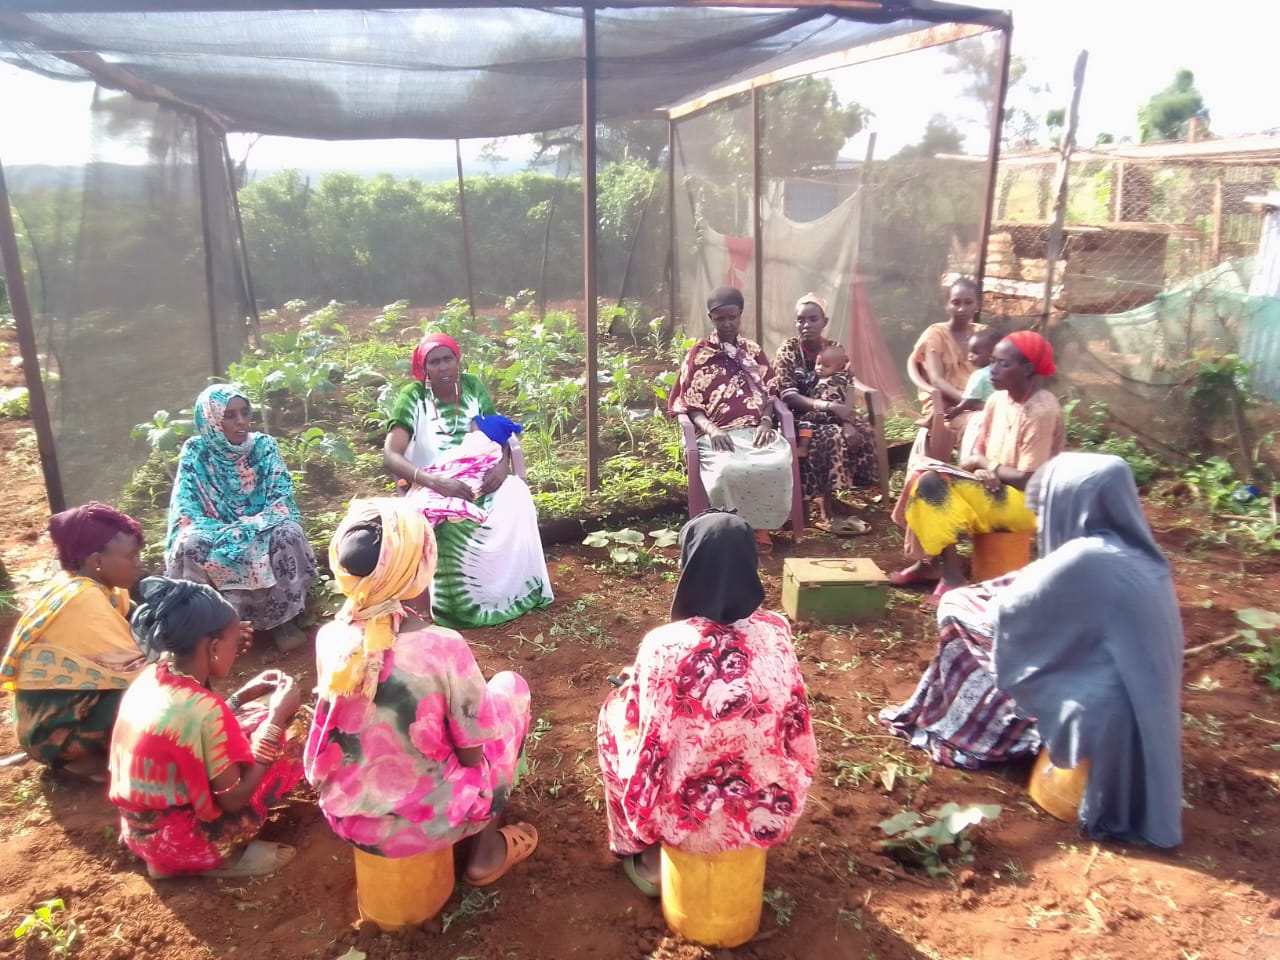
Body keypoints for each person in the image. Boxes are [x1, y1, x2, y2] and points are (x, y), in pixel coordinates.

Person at [880, 453, 1183, 848]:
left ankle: (981, 731)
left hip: (1105, 716)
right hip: (1146, 712)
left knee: (961, 616)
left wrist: (965, 599)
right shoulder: (1137, 553)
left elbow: (1011, 612)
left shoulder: (1087, 557)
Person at [305, 499, 538, 883]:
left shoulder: (330, 638)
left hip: (350, 820)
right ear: (418, 567)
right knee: (510, 691)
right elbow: (470, 753)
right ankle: (485, 852)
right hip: (431, 823)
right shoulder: (443, 646)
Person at [596, 510, 817, 896]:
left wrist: (637, 688)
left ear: (688, 565)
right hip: (767, 811)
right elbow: (797, 725)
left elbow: (651, 746)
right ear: (751, 566)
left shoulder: (664, 645)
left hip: (688, 821)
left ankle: (645, 855)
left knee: (615, 715)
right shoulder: (776, 631)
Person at [109, 576, 306, 878]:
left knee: (252, 715)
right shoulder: (204, 710)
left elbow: (190, 732)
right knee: (296, 730)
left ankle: (168, 857)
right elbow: (233, 798)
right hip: (186, 842)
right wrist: (277, 718)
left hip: (141, 831)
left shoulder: (151, 679)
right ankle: (222, 857)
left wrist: (241, 697)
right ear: (214, 646)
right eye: (234, 639)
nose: (239, 646)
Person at [383, 332, 553, 629]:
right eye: (434, 362)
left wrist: (502, 466)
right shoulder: (413, 397)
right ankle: (457, 612)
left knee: (517, 499)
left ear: (457, 361)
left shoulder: (473, 388)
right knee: (445, 523)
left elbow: (495, 432)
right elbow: (391, 455)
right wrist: (435, 481)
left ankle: (512, 595)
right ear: (425, 369)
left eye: (448, 359)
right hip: (433, 484)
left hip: (481, 475)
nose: (443, 367)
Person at [891, 330, 1065, 602]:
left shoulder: (1041, 410)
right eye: (992, 361)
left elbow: (1029, 480)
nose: (992, 370)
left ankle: (953, 577)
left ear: (1028, 369)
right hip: (995, 486)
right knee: (921, 477)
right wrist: (983, 468)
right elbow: (979, 452)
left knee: (931, 484)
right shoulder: (997, 399)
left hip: (1025, 504)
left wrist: (984, 465)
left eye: (1003, 364)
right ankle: (929, 564)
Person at [165, 384, 318, 653]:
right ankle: (212, 630)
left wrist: (250, 527)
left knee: (288, 532)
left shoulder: (263, 446)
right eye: (230, 416)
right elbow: (185, 508)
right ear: (212, 421)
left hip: (260, 525)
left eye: (245, 413)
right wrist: (225, 531)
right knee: (190, 544)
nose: (241, 422)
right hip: (215, 530)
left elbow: (281, 499)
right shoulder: (196, 452)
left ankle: (283, 619)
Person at [1, 504, 146, 779]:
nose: (138, 562)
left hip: (44, 722)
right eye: (131, 555)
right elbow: (139, 671)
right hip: (50, 735)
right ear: (96, 561)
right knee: (158, 693)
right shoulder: (84, 601)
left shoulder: (87, 585)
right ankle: (76, 759)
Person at [670, 286, 794, 548]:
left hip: (755, 430)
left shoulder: (753, 350)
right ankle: (732, 530)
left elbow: (771, 394)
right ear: (710, 318)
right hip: (717, 433)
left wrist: (766, 422)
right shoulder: (699, 354)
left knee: (778, 463)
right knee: (727, 469)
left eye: (732, 317)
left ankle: (761, 529)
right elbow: (689, 404)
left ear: (740, 315)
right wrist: (713, 430)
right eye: (720, 319)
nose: (727, 324)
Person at [775, 293, 878, 534]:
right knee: (829, 437)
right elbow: (788, 395)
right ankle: (825, 510)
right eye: (800, 320)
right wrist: (830, 408)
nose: (806, 325)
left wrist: (849, 421)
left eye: (813, 319)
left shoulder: (836, 350)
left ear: (825, 321)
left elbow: (848, 384)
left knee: (864, 430)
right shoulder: (789, 350)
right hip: (799, 416)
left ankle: (829, 497)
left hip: (837, 414)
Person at [906, 277, 987, 455]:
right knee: (982, 422)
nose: (961, 309)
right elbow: (936, 379)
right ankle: (971, 473)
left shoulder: (984, 334)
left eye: (968, 303)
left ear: (977, 305)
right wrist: (969, 403)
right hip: (948, 407)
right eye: (956, 302)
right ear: (947, 306)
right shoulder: (936, 333)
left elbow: (997, 372)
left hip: (983, 402)